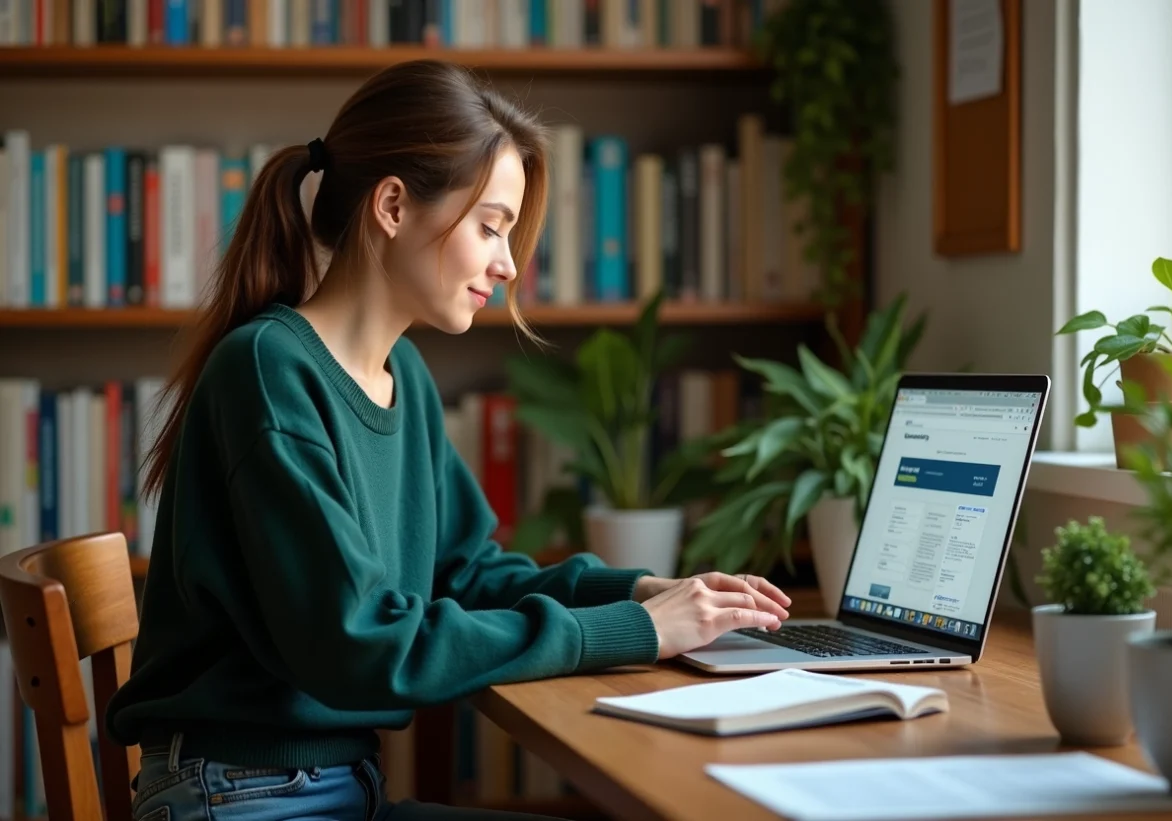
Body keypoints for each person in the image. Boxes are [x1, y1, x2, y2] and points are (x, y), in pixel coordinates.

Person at [105, 59, 791, 821]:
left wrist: (635, 593)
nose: (508, 263)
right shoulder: (268, 371)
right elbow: (361, 645)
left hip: (334, 791)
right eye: (491, 226)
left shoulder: (403, 374)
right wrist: (631, 631)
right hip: (239, 795)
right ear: (393, 205)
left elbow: (466, 572)